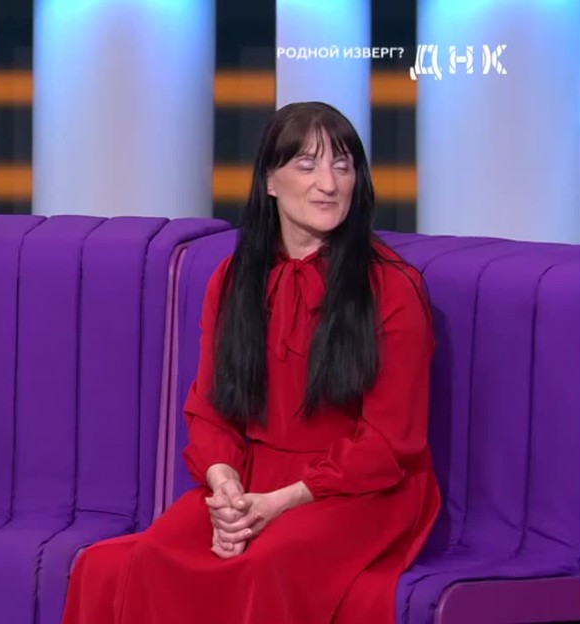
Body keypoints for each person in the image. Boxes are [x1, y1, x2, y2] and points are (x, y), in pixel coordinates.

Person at [62, 102, 441, 623]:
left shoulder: (393, 287)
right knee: (151, 555)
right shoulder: (234, 278)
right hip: (253, 481)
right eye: (307, 165)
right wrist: (226, 489)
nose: (329, 184)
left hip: (364, 491)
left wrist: (280, 502)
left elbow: (389, 443)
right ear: (269, 181)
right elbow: (212, 410)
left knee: (264, 566)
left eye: (343, 166)